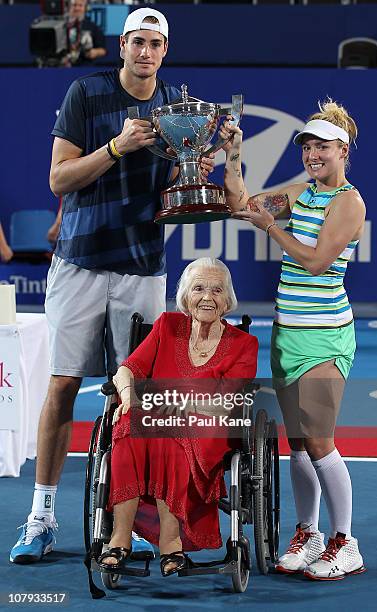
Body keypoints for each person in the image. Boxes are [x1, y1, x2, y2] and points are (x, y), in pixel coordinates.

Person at [10, 7, 213, 565]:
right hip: (78, 263)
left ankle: (134, 518)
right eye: (138, 42)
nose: (146, 52)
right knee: (63, 387)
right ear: (121, 45)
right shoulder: (85, 92)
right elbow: (59, 176)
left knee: (139, 399)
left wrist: (199, 164)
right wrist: (117, 147)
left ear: (165, 51)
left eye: (156, 44)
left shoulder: (177, 107)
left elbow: (176, 195)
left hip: (141, 268)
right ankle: (42, 514)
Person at [221, 99, 366, 581]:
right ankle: (310, 533)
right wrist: (234, 156)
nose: (312, 154)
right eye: (307, 147)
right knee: (299, 444)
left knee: (321, 441)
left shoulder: (349, 201)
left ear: (342, 150)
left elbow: (316, 261)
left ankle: (347, 542)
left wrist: (270, 230)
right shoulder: (300, 193)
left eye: (322, 146)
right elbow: (243, 204)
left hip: (325, 338)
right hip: (288, 333)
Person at [97, 258, 258, 575]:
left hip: (208, 429)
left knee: (172, 432)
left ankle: (172, 543)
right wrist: (128, 396)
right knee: (128, 425)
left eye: (216, 290)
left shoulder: (244, 344)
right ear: (185, 295)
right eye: (198, 288)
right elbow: (128, 369)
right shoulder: (167, 326)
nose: (207, 297)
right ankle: (119, 538)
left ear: (228, 299)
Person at [65, 0, 107, 66]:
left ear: (85, 8)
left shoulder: (93, 27)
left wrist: (95, 52)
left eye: (80, 5)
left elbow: (103, 50)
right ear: (68, 7)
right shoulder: (61, 26)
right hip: (62, 67)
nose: (77, 8)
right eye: (74, 5)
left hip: (86, 67)